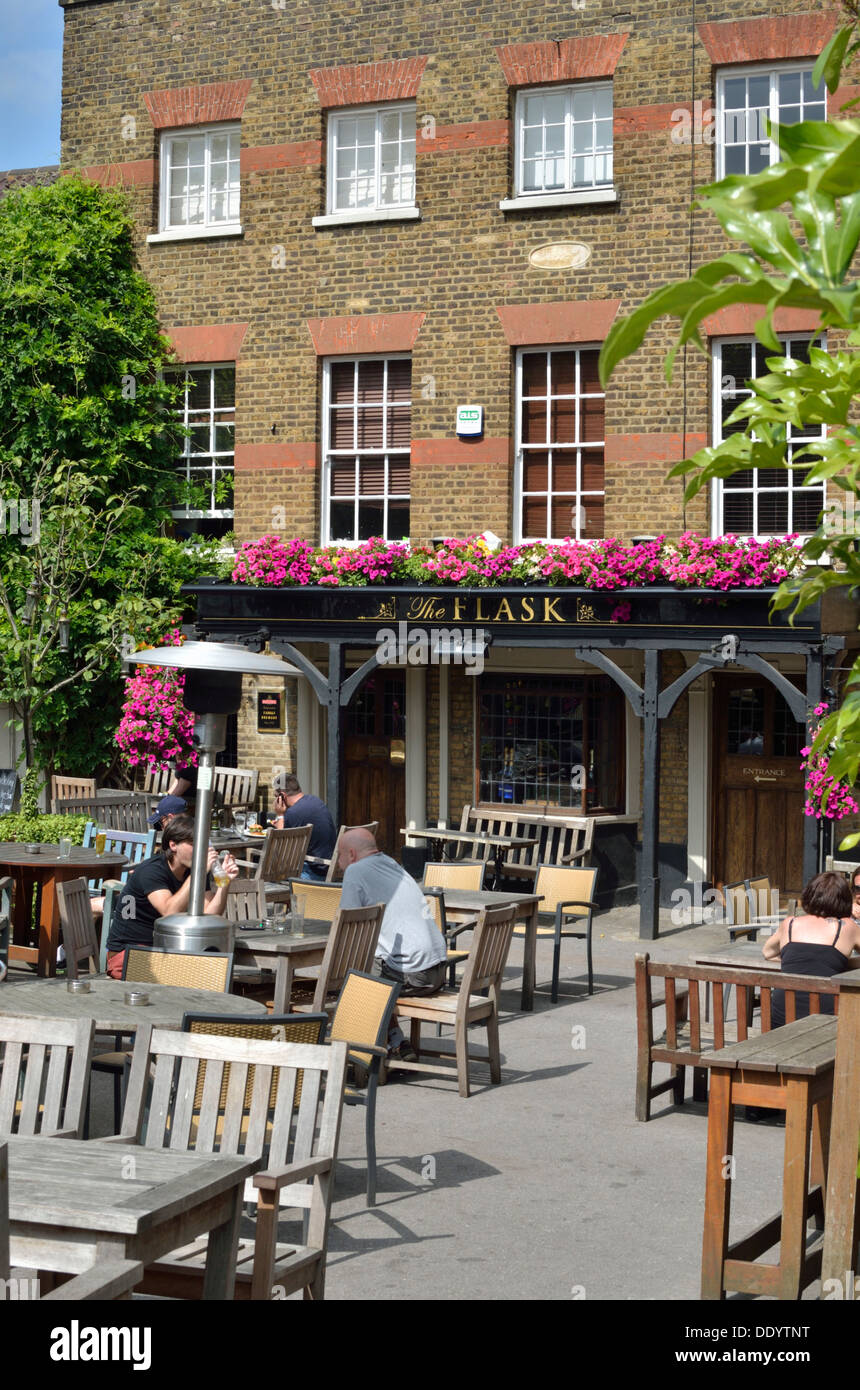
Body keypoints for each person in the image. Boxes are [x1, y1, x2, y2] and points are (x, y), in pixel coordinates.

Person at [338, 827, 448, 1059]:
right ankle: (397, 1041)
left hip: (415, 975)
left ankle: (362, 1055)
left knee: (357, 975)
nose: (338, 863)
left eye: (339, 855)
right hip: (438, 970)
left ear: (351, 854)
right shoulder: (391, 863)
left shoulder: (355, 871)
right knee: (377, 965)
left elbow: (346, 927)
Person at [104, 813, 238, 979]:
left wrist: (224, 883)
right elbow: (168, 912)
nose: (201, 850)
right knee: (196, 978)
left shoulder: (193, 872)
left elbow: (210, 914)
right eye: (194, 844)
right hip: (129, 953)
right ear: (173, 845)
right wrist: (198, 872)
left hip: (166, 951)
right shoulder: (152, 871)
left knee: (216, 971)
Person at [763, 870, 860, 1028]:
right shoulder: (848, 927)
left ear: (810, 895)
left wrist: (797, 959)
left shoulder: (790, 923)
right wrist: (841, 963)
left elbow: (767, 953)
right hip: (827, 1019)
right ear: (844, 900)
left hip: (782, 1018)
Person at [271, 774, 336, 881]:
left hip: (312, 872)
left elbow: (282, 850)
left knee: (271, 871)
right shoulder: (315, 801)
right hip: (327, 867)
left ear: (282, 796)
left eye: (275, 796)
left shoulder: (293, 813)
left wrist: (280, 815)